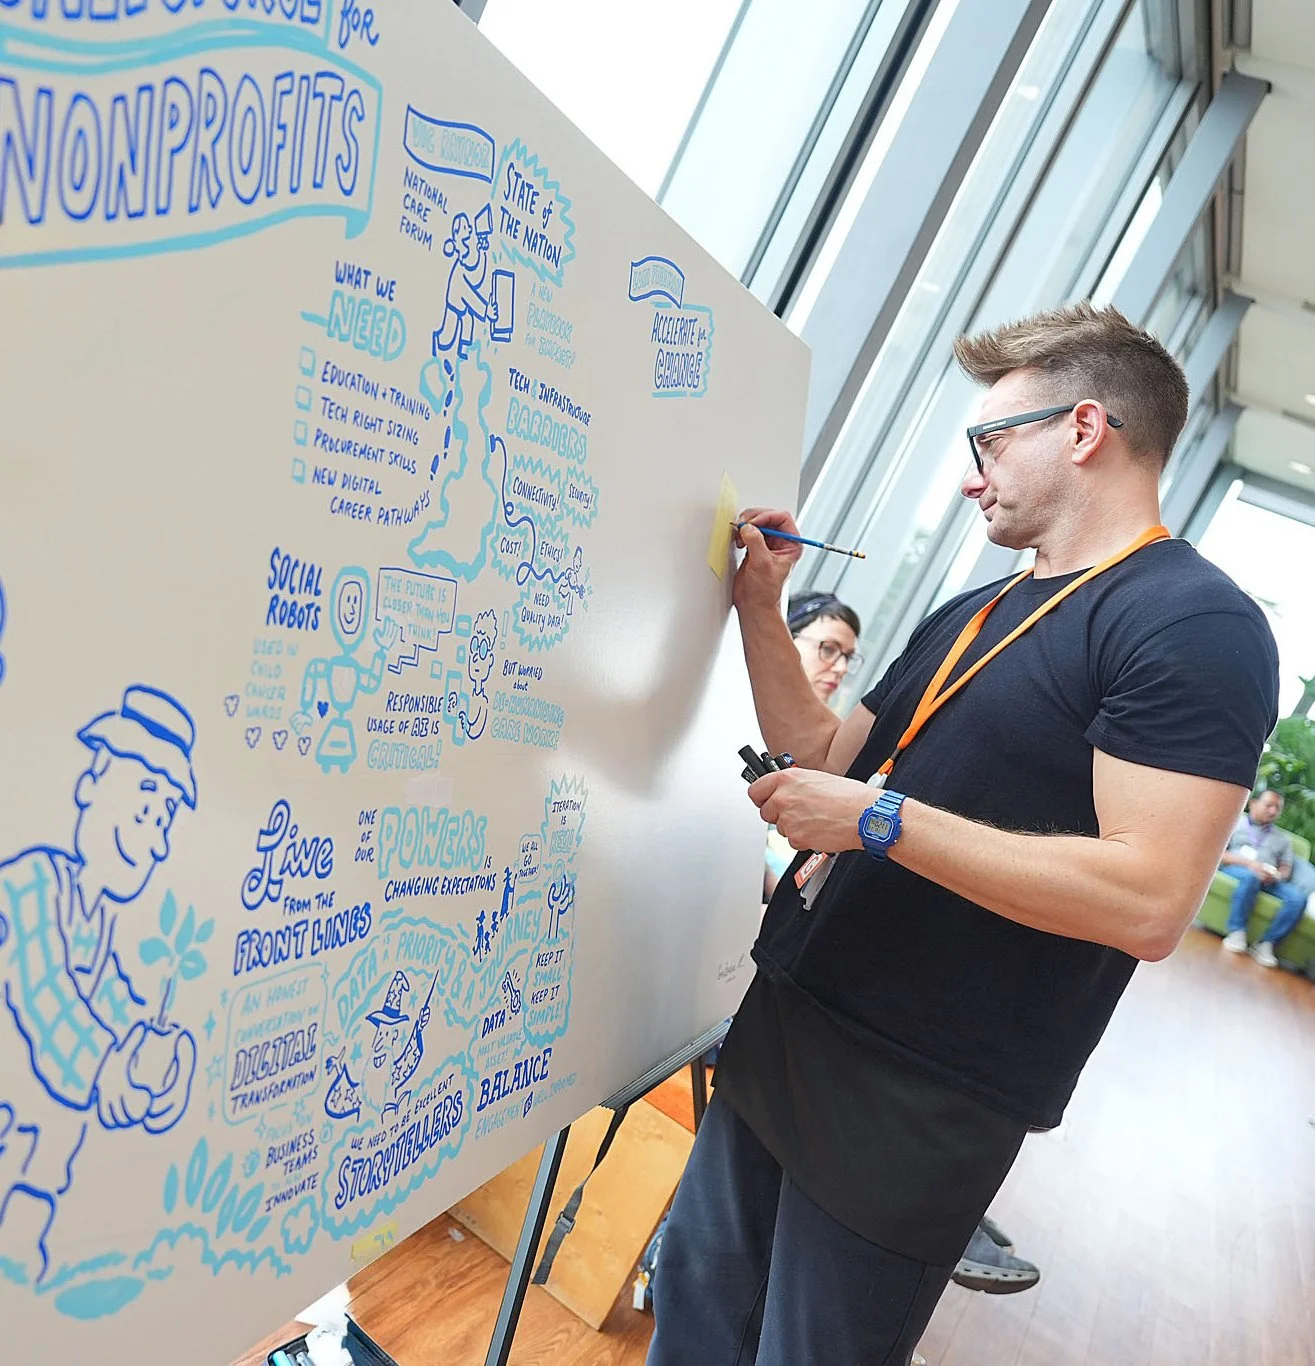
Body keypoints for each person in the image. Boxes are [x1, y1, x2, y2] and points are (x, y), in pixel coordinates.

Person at [647, 302, 1279, 1366]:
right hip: (794, 1023)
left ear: (1083, 430)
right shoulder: (981, 610)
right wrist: (763, 609)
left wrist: (882, 822)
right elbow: (826, 754)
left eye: (988, 443)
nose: (968, 477)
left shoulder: (1192, 623)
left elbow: (1149, 898)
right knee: (696, 1320)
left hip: (919, 1091)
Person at [0, 686, 200, 1282]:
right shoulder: (29, 884)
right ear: (92, 782)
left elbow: (114, 1006)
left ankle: (24, 1240)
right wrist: (110, 1068)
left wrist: (157, 1058)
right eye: (145, 804)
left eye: (164, 817)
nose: (155, 837)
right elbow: (48, 1003)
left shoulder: (99, 921)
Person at [1217, 788, 1308, 967]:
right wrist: (1250, 865)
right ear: (1253, 804)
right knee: (1251, 877)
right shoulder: (1235, 823)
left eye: (1277, 808)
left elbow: (1286, 868)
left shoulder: (1282, 839)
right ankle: (1237, 932)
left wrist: (1277, 875)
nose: (1273, 811)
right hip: (1238, 870)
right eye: (1269, 805)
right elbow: (1220, 854)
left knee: (1298, 898)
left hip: (1269, 879)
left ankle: (1267, 944)